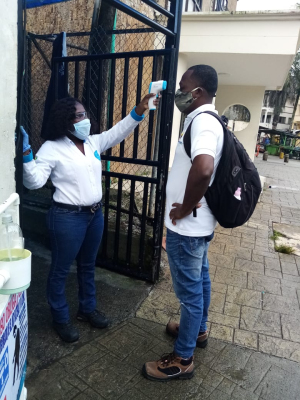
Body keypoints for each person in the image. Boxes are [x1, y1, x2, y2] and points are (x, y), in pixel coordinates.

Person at [22, 94, 158, 343]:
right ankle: (61, 319)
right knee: (60, 270)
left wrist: (139, 110)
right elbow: (34, 182)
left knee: (88, 265)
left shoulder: (92, 143)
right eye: (80, 115)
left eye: (85, 114)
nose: (87, 119)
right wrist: (28, 156)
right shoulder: (52, 148)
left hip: (94, 215)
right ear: (66, 120)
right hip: (66, 218)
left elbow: (118, 132)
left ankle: (87, 310)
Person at [143, 65, 223, 381]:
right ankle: (198, 331)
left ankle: (182, 358)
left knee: (189, 294)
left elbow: (203, 170)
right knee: (200, 280)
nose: (179, 91)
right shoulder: (205, 120)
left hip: (187, 228)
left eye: (183, 86)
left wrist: (183, 209)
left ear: (198, 92)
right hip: (197, 226)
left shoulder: (203, 122)